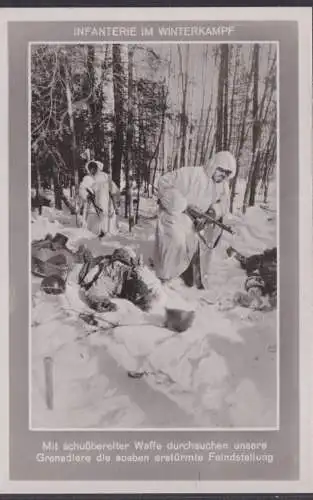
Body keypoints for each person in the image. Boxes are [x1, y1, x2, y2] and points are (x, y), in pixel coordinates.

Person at [154, 150, 236, 289]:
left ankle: (190, 282)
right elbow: (163, 182)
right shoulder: (191, 174)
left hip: (196, 221)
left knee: (198, 246)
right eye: (221, 170)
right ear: (213, 165)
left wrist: (212, 212)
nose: (223, 175)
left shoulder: (223, 185)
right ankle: (166, 281)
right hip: (173, 215)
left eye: (227, 173)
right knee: (176, 240)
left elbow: (224, 203)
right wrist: (182, 204)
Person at [79, 160, 120, 237]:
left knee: (107, 229)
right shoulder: (87, 179)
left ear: (97, 168)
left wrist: (115, 206)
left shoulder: (106, 177)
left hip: (106, 206)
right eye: (90, 168)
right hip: (93, 209)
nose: (92, 170)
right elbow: (82, 190)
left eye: (94, 168)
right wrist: (87, 195)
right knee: (93, 232)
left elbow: (114, 192)